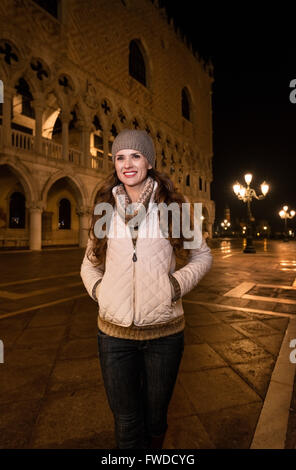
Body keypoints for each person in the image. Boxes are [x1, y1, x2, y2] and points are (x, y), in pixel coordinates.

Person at [80, 128, 213, 449]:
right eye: (120, 157)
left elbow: (202, 255)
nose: (127, 164)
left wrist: (175, 285)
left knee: (155, 418)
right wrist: (101, 291)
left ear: (149, 162)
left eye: (136, 156)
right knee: (125, 422)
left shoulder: (174, 209)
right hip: (113, 336)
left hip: (164, 336)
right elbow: (89, 263)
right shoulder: (104, 209)